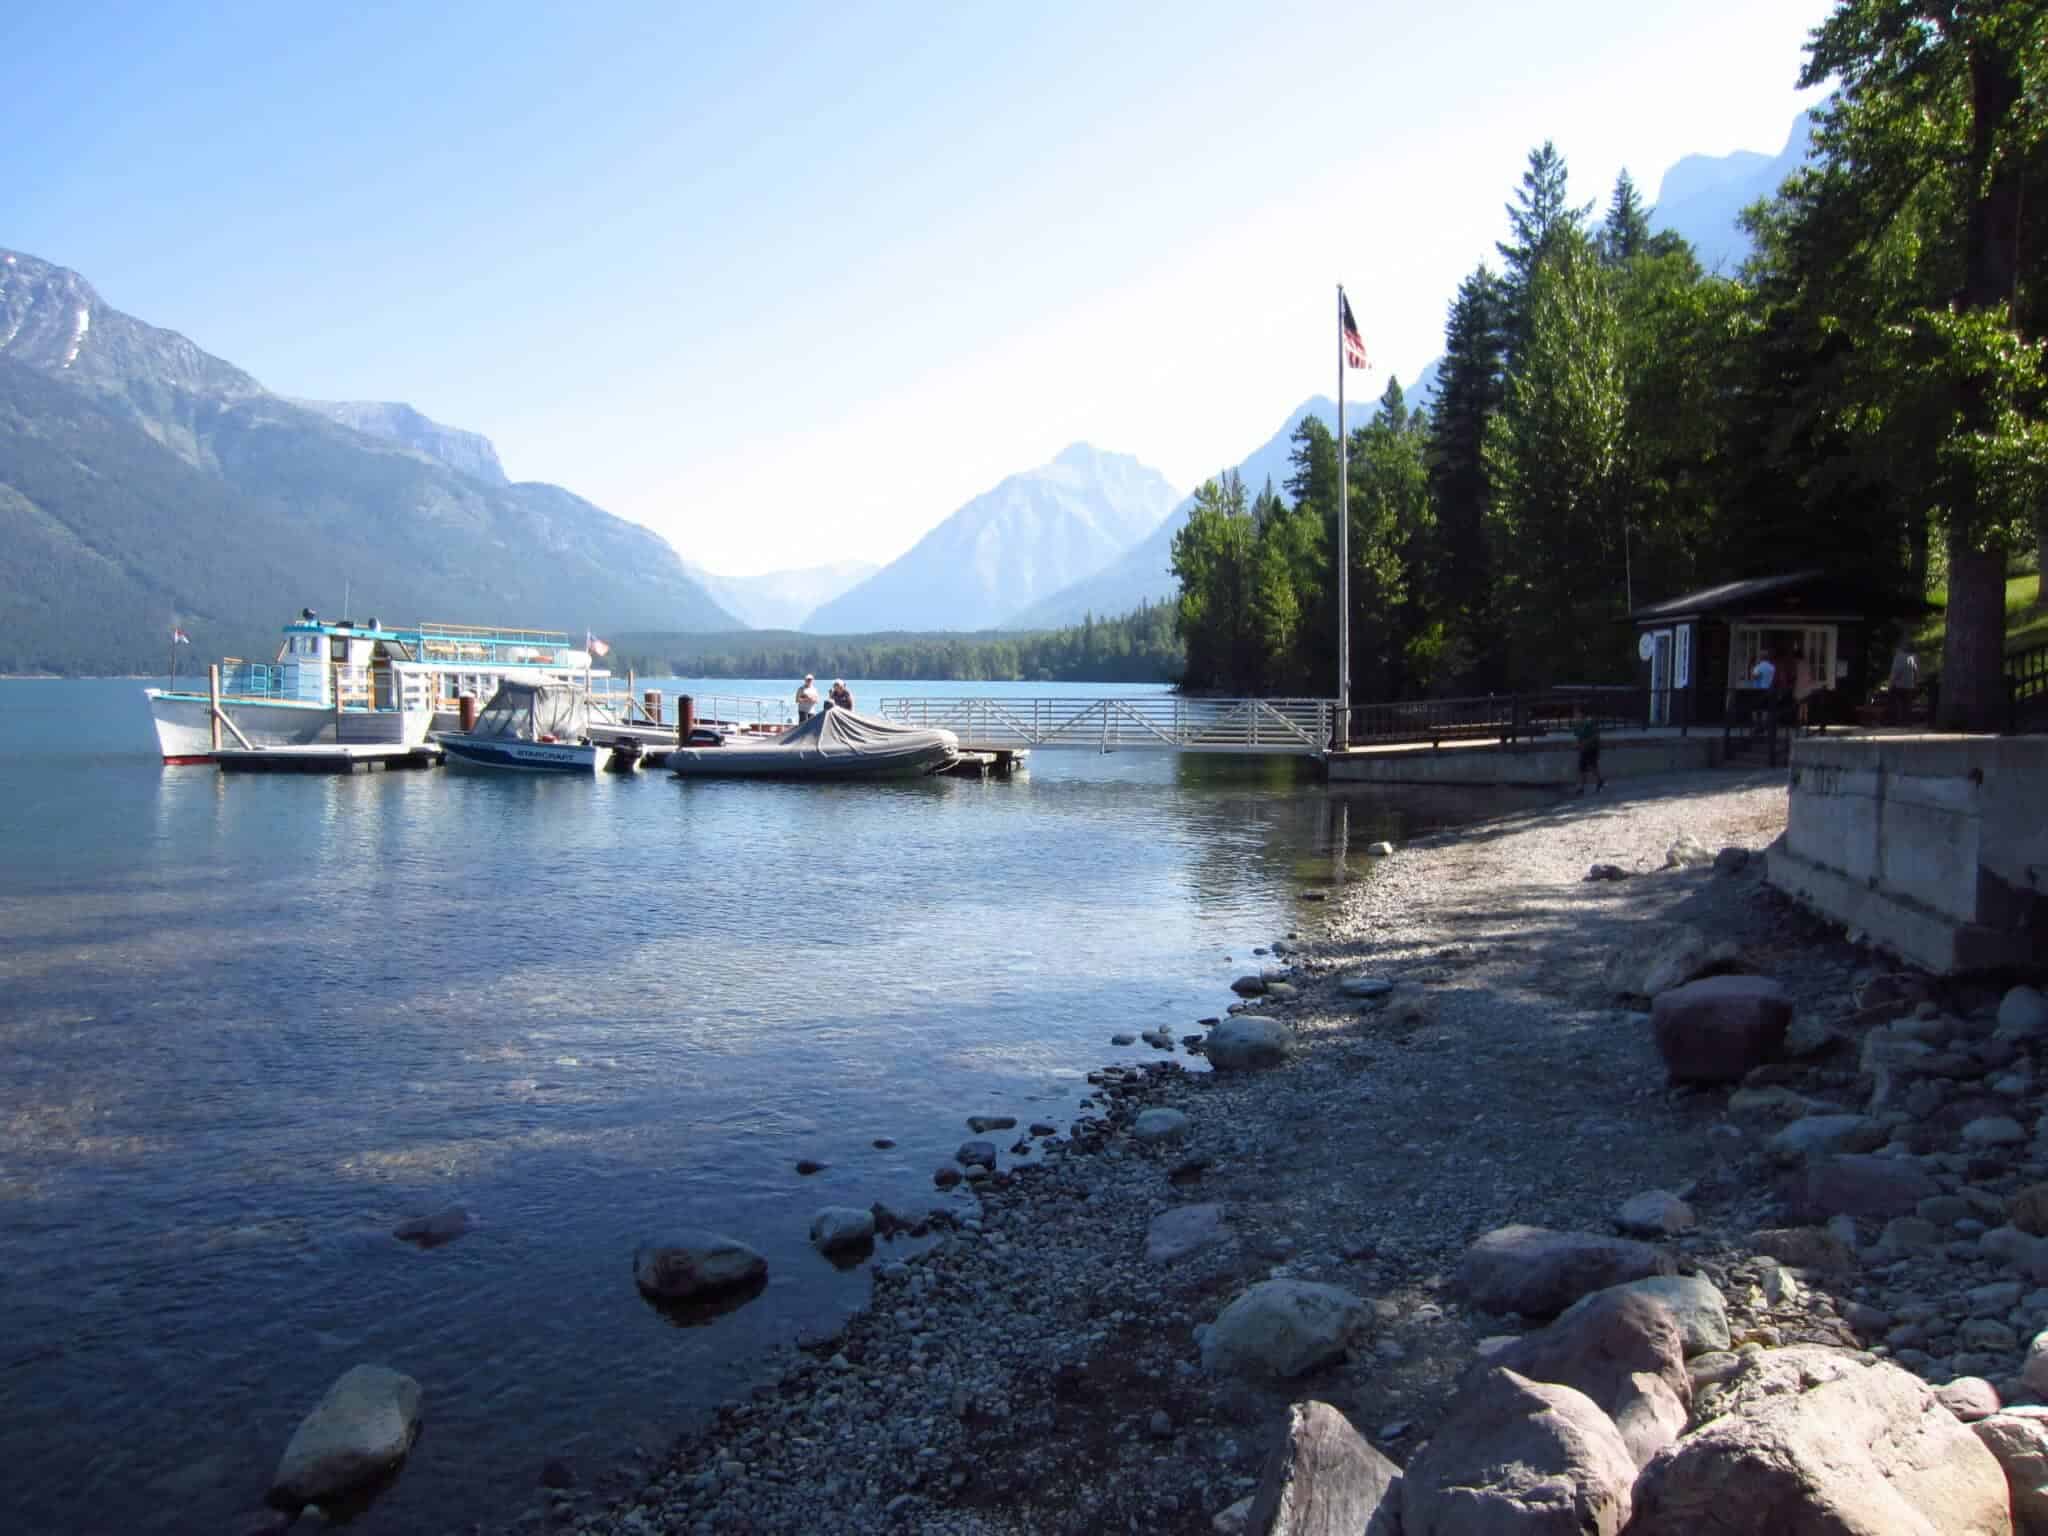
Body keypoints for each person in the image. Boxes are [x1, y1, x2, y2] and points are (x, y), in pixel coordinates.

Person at [1573, 706, 1604, 795]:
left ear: (1582, 714)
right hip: (1583, 749)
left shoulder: (1589, 723)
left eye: (1577, 713)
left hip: (1592, 748)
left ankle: (1599, 782)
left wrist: (1586, 742)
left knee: (1592, 767)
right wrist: (1577, 744)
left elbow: (1596, 736)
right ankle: (1582, 788)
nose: (1575, 716)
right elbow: (1578, 737)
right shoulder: (1577, 725)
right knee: (1582, 768)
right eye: (1575, 714)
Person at [1886, 643, 1920, 725]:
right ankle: (1907, 721)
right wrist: (1915, 683)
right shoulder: (1913, 657)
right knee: (1907, 704)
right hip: (1909, 685)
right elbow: (1916, 672)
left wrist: (1890, 684)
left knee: (1894, 703)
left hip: (1898, 685)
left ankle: (1894, 720)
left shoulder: (1898, 657)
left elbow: (1895, 672)